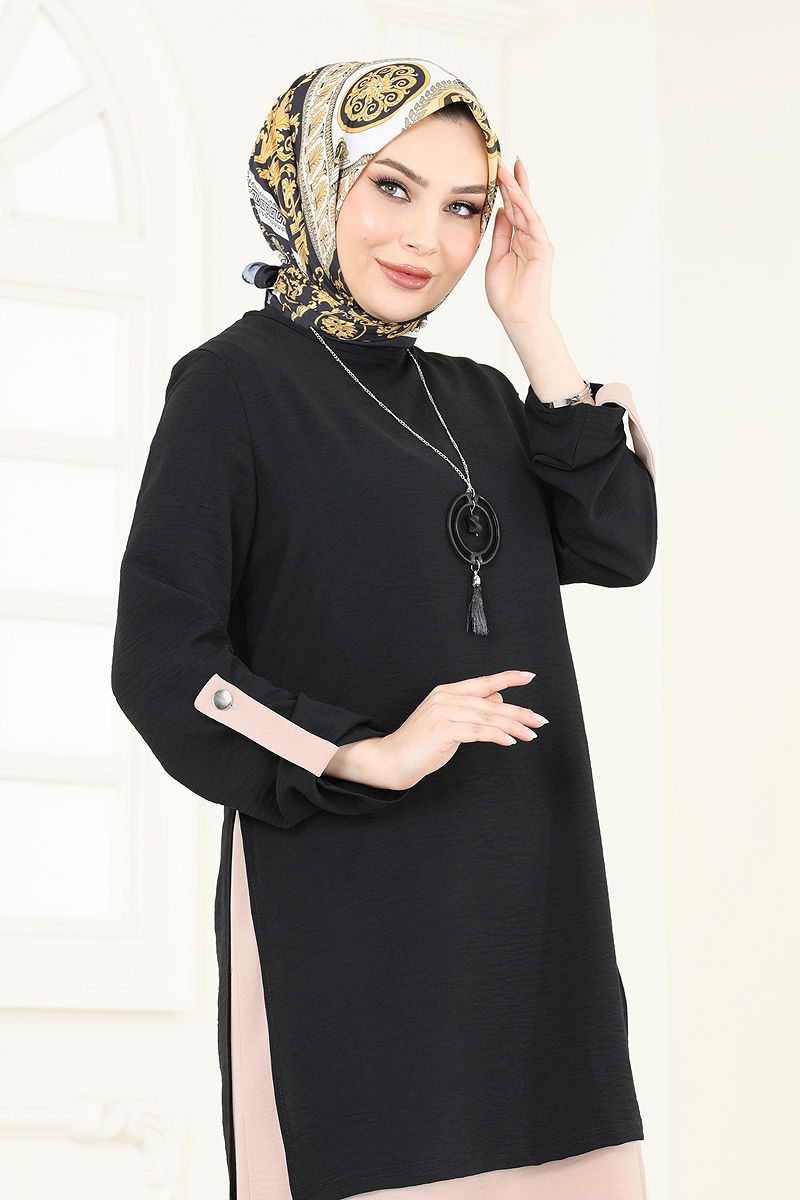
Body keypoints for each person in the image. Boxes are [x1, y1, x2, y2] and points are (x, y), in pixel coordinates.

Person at [111, 57, 656, 1200]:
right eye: (391, 188)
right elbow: (165, 662)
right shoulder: (231, 387)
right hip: (349, 912)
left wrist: (531, 325)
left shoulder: (482, 399)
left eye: (463, 207)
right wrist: (358, 751)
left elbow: (618, 543)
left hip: (531, 908)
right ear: (317, 179)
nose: (426, 239)